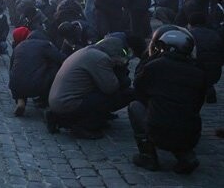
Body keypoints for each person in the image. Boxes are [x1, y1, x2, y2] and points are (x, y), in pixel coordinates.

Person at [128, 28, 206, 174]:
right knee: (179, 118)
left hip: (158, 128)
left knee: (135, 107)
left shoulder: (154, 66)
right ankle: (186, 155)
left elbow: (139, 91)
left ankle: (148, 156)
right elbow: (198, 103)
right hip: (191, 133)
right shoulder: (198, 72)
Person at [46, 37, 133, 139]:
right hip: (68, 102)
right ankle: (83, 126)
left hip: (59, 100)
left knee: (103, 94)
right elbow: (111, 88)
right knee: (115, 96)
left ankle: (60, 118)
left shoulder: (87, 52)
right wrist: (120, 70)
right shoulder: (101, 58)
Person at [10, 30, 65, 116]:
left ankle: (21, 101)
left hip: (15, 85)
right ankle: (46, 100)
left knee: (20, 71)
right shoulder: (45, 45)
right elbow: (60, 59)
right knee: (55, 66)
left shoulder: (20, 45)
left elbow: (11, 67)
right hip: (36, 85)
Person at [188, 13, 224, 103]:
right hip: (215, 70)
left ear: (190, 23)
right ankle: (208, 88)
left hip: (197, 69)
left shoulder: (190, 35)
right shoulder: (215, 34)